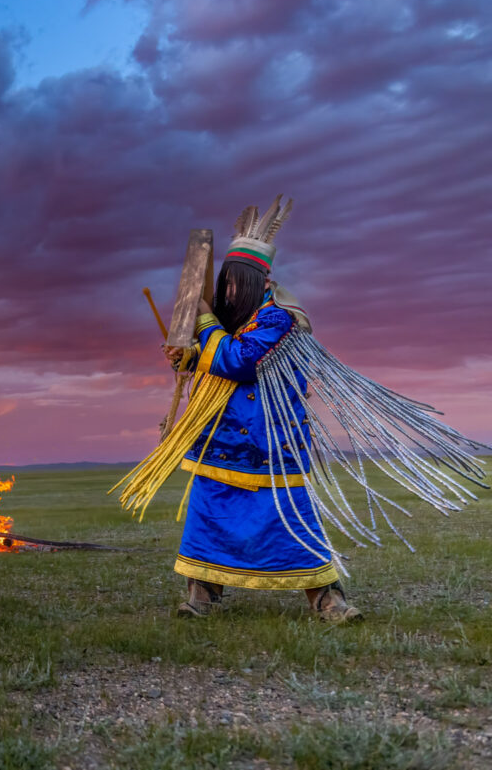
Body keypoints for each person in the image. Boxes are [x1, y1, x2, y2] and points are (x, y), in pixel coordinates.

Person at [118, 196, 488, 621]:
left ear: (258, 283)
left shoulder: (281, 320)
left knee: (291, 523)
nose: (230, 292)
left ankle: (327, 599)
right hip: (217, 442)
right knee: (209, 518)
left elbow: (239, 362)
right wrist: (182, 357)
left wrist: (204, 324)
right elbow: (210, 362)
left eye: (238, 284)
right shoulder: (230, 323)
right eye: (226, 284)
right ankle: (201, 593)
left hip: (270, 444)